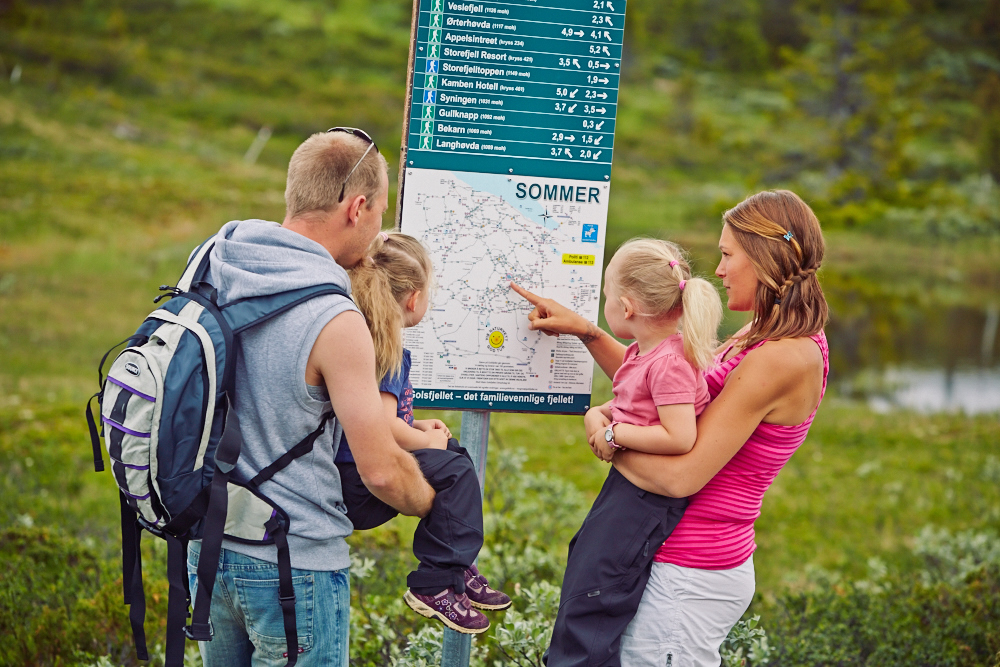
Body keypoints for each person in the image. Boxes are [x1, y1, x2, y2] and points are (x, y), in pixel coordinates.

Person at [511, 189, 829, 667]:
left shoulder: (782, 356)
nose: (718, 271)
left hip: (692, 570)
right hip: (676, 554)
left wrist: (609, 437)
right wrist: (590, 333)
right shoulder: (760, 332)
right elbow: (668, 390)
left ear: (764, 256)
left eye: (727, 255)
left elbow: (683, 475)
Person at [186, 128, 436, 666]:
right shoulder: (335, 317)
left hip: (205, 549)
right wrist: (433, 504)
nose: (377, 234)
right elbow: (384, 473)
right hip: (293, 566)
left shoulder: (214, 263)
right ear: (357, 207)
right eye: (378, 214)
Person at [544, 239, 723, 667]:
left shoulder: (670, 362)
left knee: (595, 595)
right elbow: (632, 402)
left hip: (646, 499)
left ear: (626, 307)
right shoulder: (646, 355)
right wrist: (597, 413)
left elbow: (680, 436)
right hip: (629, 488)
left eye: (606, 295)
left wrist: (613, 435)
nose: (604, 304)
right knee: (586, 570)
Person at [336, 231, 511, 635]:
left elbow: (381, 414)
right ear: (413, 298)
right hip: (358, 482)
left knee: (456, 456)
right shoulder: (387, 350)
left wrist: (417, 426)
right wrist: (422, 441)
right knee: (456, 472)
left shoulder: (370, 339)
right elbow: (380, 424)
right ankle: (434, 583)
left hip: (350, 472)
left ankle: (457, 565)